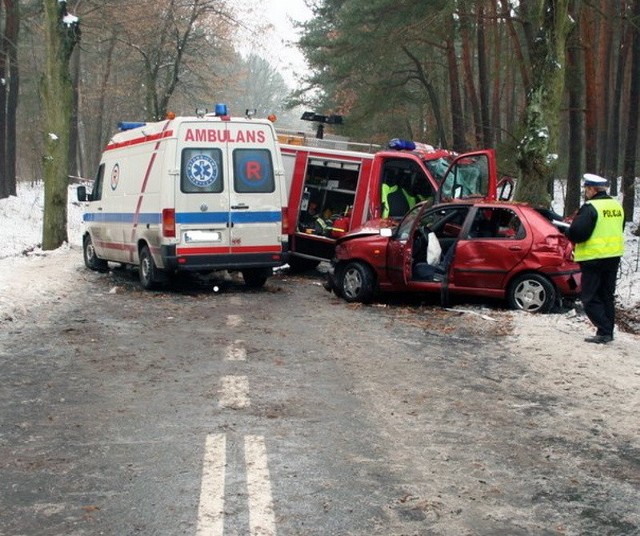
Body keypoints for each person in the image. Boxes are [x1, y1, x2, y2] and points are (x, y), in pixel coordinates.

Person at [567, 173, 625, 344]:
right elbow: (618, 228)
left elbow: (578, 233)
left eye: (587, 189)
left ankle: (605, 329)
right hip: (613, 257)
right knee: (607, 295)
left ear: (592, 189)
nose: (586, 192)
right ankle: (607, 331)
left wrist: (568, 232)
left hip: (593, 258)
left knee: (589, 297)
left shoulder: (590, 207)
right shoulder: (617, 206)